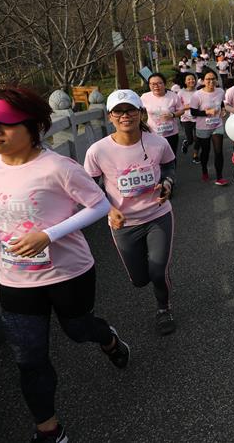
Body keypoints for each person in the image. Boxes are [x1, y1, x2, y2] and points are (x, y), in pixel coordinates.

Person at [0, 86, 130, 443]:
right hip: (14, 278)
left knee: (78, 331)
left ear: (33, 127)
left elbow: (99, 206)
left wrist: (49, 235)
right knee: (29, 358)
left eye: (5, 125)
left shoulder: (58, 167)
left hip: (68, 273)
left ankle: (108, 338)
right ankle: (50, 431)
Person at [84, 90, 178, 336]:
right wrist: (109, 208)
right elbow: (90, 186)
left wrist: (167, 184)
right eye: (119, 111)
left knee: (157, 271)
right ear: (110, 117)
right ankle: (154, 272)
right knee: (139, 279)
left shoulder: (158, 142)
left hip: (158, 215)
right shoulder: (97, 151)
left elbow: (169, 166)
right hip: (124, 223)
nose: (125, 116)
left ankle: (163, 308)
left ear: (140, 113)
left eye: (131, 110)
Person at [189, 68, 229, 186]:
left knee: (218, 151)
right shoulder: (197, 95)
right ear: (203, 81)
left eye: (213, 79)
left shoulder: (220, 91)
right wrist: (206, 112)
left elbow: (221, 102)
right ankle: (204, 170)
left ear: (216, 80)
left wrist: (222, 110)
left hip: (217, 125)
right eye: (208, 79)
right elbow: (193, 112)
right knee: (205, 151)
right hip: (203, 127)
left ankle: (219, 177)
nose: (211, 81)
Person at [140, 73, 184, 157]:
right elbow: (139, 111)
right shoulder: (144, 97)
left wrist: (172, 115)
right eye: (152, 84)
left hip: (171, 133)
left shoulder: (173, 96)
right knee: (156, 157)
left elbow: (181, 110)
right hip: (153, 134)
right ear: (149, 85)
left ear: (164, 84)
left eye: (159, 83)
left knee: (171, 157)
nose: (156, 86)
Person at [177, 72, 198, 160]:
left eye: (193, 79)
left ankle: (195, 155)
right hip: (186, 119)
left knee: (198, 139)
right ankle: (186, 142)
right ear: (185, 82)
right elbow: (178, 107)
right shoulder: (181, 93)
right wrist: (191, 105)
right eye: (189, 79)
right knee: (190, 140)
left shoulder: (198, 92)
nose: (191, 81)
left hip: (198, 119)